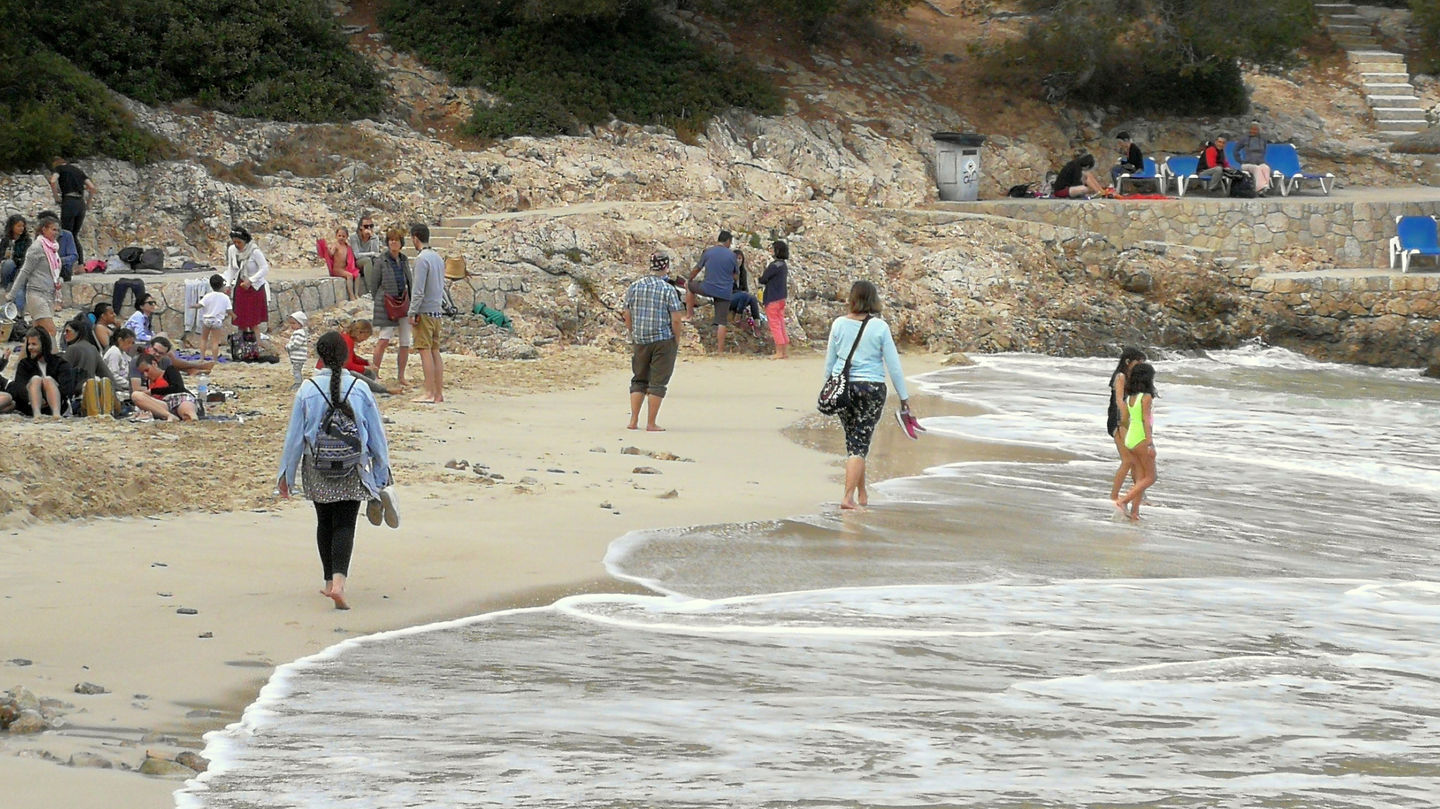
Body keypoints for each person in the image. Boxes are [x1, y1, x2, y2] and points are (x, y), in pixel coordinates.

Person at [277, 330, 397, 610]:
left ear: (319, 357)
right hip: (352, 465)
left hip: (316, 465)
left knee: (324, 522)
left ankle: (329, 582)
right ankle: (340, 583)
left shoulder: (306, 390)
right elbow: (376, 434)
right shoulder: (360, 388)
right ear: (345, 356)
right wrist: (383, 470)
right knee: (345, 522)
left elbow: (295, 437)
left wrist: (286, 476)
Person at [824, 280, 916, 511]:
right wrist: (904, 397)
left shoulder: (838, 324)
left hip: (843, 387)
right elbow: (893, 366)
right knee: (859, 443)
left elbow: (830, 361)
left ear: (852, 299)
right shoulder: (880, 328)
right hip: (871, 389)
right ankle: (847, 498)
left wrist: (829, 387)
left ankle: (862, 494)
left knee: (854, 441)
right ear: (873, 300)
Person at [623, 253, 685, 431]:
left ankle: (633, 421)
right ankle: (651, 423)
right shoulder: (667, 289)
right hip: (662, 339)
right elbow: (676, 319)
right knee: (658, 382)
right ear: (666, 267)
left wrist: (632, 331)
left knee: (639, 379)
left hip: (640, 338)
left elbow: (627, 313)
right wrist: (676, 339)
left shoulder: (635, 286)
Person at [6, 214, 64, 338]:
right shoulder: (36, 248)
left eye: (57, 230)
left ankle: (25, 357)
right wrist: (12, 294)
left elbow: (54, 272)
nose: (56, 233)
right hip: (37, 294)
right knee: (51, 332)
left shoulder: (53, 249)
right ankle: (53, 357)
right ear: (44, 229)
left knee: (36, 334)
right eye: (53, 229)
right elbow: (24, 272)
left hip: (49, 295)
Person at [369, 227, 413, 387]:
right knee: (383, 340)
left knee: (405, 342)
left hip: (403, 303)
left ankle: (401, 376)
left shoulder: (404, 260)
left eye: (396, 239)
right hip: (386, 304)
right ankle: (375, 373)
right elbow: (374, 285)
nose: (393, 242)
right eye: (391, 239)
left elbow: (410, 282)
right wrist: (381, 299)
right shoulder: (381, 261)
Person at [1114, 362, 1158, 520]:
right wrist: (1150, 442)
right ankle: (1123, 501)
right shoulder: (1146, 397)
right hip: (1140, 437)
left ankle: (1134, 513)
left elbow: (1126, 418)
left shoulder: (1131, 398)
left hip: (1131, 437)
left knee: (1140, 478)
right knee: (1151, 477)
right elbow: (1146, 421)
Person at [407, 223, 445, 404]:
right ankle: (438, 393)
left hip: (425, 311)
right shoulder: (437, 258)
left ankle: (429, 391)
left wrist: (412, 311)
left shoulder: (422, 259)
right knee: (435, 351)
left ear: (415, 237)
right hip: (437, 310)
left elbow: (418, 290)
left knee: (425, 351)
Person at [2, 327, 74, 419]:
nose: (30, 347)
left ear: (43, 345)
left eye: (34, 344)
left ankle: (56, 415)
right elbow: (19, 387)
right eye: (29, 344)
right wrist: (33, 399)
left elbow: (67, 388)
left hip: (55, 403)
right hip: (30, 404)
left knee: (48, 380)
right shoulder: (24, 364)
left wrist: (46, 400)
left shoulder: (60, 363)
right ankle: (37, 414)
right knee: (36, 379)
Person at [1106, 347, 1147, 503]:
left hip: (1126, 420)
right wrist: (1126, 421)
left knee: (1136, 460)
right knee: (1128, 460)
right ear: (1128, 361)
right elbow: (1119, 401)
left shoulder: (1131, 378)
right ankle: (1114, 496)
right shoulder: (1121, 376)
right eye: (1139, 362)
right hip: (1118, 420)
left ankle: (1138, 496)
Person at [687, 230, 737, 353]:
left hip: (707, 287)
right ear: (728, 241)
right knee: (722, 321)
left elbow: (697, 269)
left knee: (689, 286)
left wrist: (690, 280)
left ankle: (689, 315)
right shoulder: (732, 255)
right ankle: (720, 350)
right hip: (724, 292)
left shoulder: (708, 252)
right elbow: (736, 276)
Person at [319, 320, 394, 395]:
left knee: (369, 374)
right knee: (354, 373)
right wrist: (364, 368)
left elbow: (352, 357)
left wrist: (366, 362)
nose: (365, 339)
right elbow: (347, 365)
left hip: (328, 368)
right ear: (360, 332)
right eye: (365, 337)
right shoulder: (348, 341)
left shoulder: (346, 337)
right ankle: (383, 390)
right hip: (328, 370)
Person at [48, 157, 97, 264]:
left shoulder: (59, 169)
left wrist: (56, 197)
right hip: (80, 203)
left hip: (69, 201)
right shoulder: (78, 171)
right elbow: (92, 187)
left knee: (64, 233)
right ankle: (80, 263)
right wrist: (88, 203)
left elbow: (52, 181)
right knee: (74, 234)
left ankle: (62, 262)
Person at [225, 226, 270, 342]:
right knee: (241, 318)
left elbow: (264, 268)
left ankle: (257, 343)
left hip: (254, 287)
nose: (236, 244)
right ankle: (242, 343)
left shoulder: (254, 251)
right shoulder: (232, 250)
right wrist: (228, 283)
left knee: (253, 319)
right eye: (234, 242)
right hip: (241, 286)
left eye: (239, 242)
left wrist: (251, 280)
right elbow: (232, 268)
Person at [133, 352, 198, 422]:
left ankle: (191, 416)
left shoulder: (170, 371)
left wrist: (152, 391)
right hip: (164, 405)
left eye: (147, 370)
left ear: (154, 364)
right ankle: (169, 415)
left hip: (180, 398)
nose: (145, 375)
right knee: (136, 395)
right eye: (142, 373)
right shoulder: (148, 381)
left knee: (188, 415)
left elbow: (178, 387)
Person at [63, 316, 119, 394]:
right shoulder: (92, 348)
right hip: (91, 390)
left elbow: (62, 372)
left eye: (67, 331)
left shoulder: (72, 349)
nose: (64, 334)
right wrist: (116, 388)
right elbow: (105, 372)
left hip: (76, 392)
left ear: (77, 332)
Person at [189, 273, 233, 361]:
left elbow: (200, 305)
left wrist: (192, 306)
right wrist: (234, 316)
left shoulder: (208, 296)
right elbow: (229, 310)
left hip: (207, 320)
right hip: (217, 321)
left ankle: (201, 358)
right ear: (222, 285)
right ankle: (215, 360)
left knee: (204, 339)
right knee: (215, 342)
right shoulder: (225, 298)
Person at [759, 240, 790, 359]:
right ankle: (784, 351)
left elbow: (763, 279)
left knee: (775, 324)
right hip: (782, 297)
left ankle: (778, 352)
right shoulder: (783, 265)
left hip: (772, 297)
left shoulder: (774, 265)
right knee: (781, 323)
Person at [319, 225, 360, 301]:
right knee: (350, 276)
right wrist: (327, 249)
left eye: (343, 236)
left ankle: (356, 294)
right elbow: (331, 254)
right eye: (339, 236)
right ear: (336, 236)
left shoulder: (347, 247)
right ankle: (351, 295)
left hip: (345, 268)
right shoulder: (335, 245)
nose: (341, 238)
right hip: (337, 270)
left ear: (347, 237)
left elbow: (350, 258)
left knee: (358, 274)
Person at [350, 213, 384, 296]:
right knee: (367, 261)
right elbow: (357, 255)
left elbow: (376, 253)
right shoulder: (354, 237)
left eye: (371, 226)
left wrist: (372, 239)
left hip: (370, 260)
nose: (368, 228)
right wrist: (371, 254)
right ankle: (371, 290)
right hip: (358, 262)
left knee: (379, 261)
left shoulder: (374, 237)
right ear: (360, 227)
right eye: (366, 226)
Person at [1235, 122, 1272, 196]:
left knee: (1266, 168)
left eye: (1255, 130)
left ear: (1258, 131)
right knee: (1256, 168)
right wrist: (1240, 161)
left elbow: (1264, 150)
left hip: (1259, 162)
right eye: (1251, 129)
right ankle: (1259, 189)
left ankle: (1265, 189)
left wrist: (1260, 159)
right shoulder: (1244, 139)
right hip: (1247, 164)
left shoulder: (1262, 139)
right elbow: (1235, 150)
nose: (1253, 131)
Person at [0, 214, 30, 296]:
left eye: (23, 226)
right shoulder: (6, 240)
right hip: (7, 268)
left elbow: (26, 257)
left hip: (21, 268)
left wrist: (16, 259)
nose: (21, 228)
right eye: (18, 226)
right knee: (8, 263)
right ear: (12, 227)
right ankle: (5, 286)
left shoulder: (27, 241)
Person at [104, 327, 136, 398]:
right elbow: (113, 375)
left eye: (132, 343)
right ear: (120, 340)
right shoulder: (114, 353)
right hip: (116, 388)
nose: (130, 346)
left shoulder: (123, 353)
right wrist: (129, 385)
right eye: (128, 342)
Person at [286, 311, 310, 389]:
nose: (291, 325)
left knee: (296, 371)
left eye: (293, 323)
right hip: (298, 357)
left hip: (298, 357)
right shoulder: (299, 332)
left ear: (300, 323)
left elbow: (296, 344)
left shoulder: (299, 333)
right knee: (297, 370)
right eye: (291, 323)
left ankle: (298, 383)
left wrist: (288, 347)